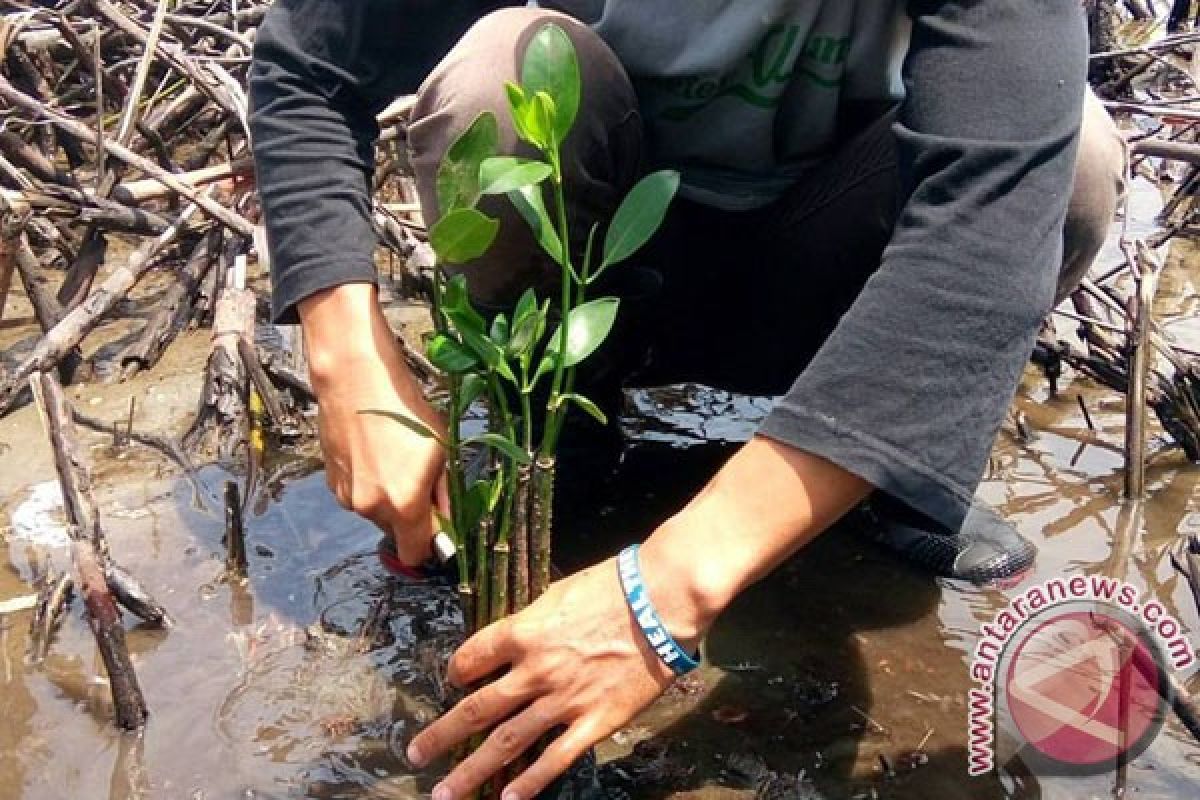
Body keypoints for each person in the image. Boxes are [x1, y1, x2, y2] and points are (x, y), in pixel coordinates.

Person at [249, 2, 1127, 797]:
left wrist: (660, 596)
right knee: (499, 86)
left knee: (1073, 157)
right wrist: (349, 358)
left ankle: (879, 479)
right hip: (604, 277)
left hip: (829, 274)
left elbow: (985, 236)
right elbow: (309, 62)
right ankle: (567, 431)